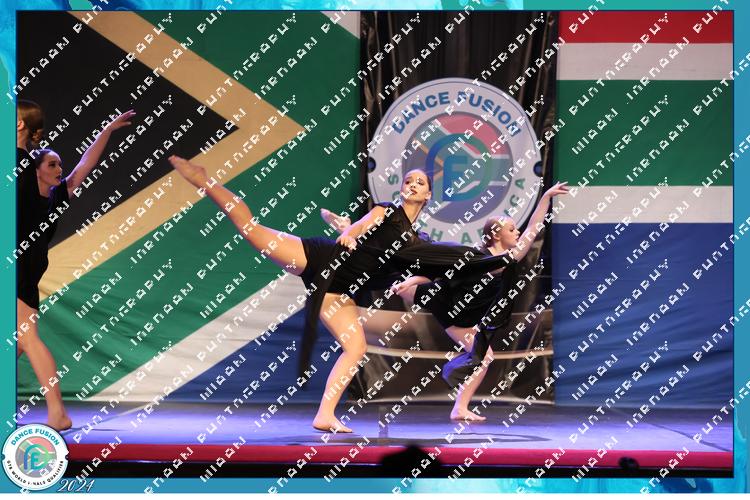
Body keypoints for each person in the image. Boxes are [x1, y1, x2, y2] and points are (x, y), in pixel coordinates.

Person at [169, 156, 514, 433]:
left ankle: (324, 416)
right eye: (408, 180)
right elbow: (361, 227)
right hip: (321, 259)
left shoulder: (418, 241)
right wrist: (348, 232)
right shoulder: (386, 211)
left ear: (427, 196)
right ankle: (204, 181)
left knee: (356, 348)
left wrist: (413, 280)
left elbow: (431, 267)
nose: (412, 184)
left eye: (419, 183)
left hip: (338, 291)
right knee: (252, 230)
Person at [321, 181, 569, 421]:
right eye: (512, 229)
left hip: (458, 315)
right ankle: (349, 230)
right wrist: (412, 281)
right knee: (396, 262)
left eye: (516, 229)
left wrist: (546, 198)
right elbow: (440, 270)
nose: (518, 233)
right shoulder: (478, 257)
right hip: (437, 296)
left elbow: (533, 227)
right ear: (495, 236)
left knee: (484, 356)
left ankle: (460, 408)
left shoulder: (506, 258)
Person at [16, 100, 135, 430]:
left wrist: (105, 132)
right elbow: (83, 164)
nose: (59, 169)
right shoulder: (38, 188)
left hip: (21, 264)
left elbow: (83, 166)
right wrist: (106, 130)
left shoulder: (37, 183)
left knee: (26, 336)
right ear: (37, 171)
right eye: (52, 164)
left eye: (59, 164)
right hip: (28, 263)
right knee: (17, 343)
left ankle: (58, 413)